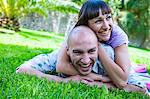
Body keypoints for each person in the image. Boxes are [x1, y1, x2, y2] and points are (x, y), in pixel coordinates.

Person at [56, 0, 147, 92]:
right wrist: (98, 77)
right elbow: (61, 66)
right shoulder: (77, 32)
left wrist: (98, 47)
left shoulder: (118, 36)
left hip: (115, 67)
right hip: (94, 69)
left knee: (140, 88)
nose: (106, 26)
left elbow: (122, 81)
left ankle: (97, 85)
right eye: (98, 21)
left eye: (108, 18)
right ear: (85, 24)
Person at [16, 26, 115, 88]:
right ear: (67, 50)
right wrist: (63, 81)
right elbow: (22, 70)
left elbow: (130, 87)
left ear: (98, 48)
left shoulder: (109, 56)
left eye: (91, 51)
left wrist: (99, 84)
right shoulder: (56, 57)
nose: (85, 60)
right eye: (78, 52)